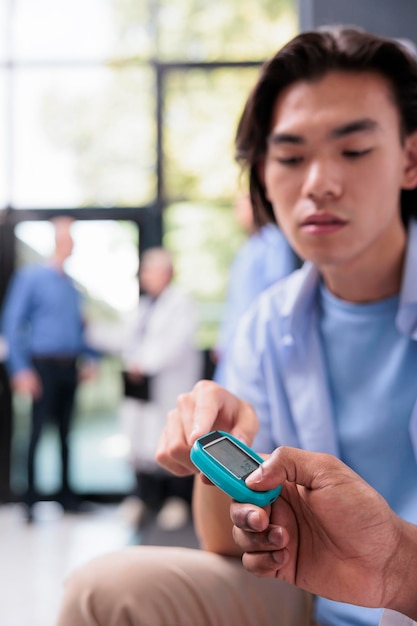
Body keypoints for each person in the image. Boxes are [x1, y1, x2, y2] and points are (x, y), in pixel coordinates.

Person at [56, 25, 417, 626]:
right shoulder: (267, 323)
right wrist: (217, 450)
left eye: (353, 150)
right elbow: (224, 545)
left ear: (410, 158)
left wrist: (399, 571)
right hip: (309, 598)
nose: (317, 183)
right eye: (291, 156)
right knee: (105, 589)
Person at [1, 217, 99, 521]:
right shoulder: (31, 278)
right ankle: (29, 502)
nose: (69, 242)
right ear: (56, 240)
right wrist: (20, 369)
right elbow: (11, 324)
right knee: (36, 433)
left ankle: (66, 498)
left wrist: (91, 358)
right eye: (65, 235)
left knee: (67, 434)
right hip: (41, 366)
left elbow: (81, 329)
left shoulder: (72, 287)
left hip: (70, 367)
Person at [118, 247, 203, 531]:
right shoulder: (144, 306)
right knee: (142, 444)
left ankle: (177, 501)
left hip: (169, 385)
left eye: (148, 270)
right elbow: (129, 340)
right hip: (143, 387)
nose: (143, 276)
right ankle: (143, 499)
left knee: (174, 441)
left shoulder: (181, 302)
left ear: (165, 272)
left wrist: (146, 363)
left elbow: (176, 344)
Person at [212, 193, 298, 386]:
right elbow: (235, 302)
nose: (238, 214)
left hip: (258, 341)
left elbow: (277, 292)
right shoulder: (248, 247)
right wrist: (224, 340)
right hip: (236, 342)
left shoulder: (274, 242)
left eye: (242, 207)